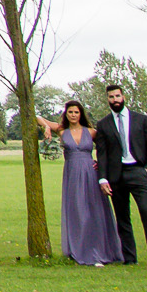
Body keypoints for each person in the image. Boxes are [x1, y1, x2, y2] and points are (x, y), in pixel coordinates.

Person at [34, 100, 122, 266]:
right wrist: (46, 127)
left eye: (76, 112)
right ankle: (79, 250)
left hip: (91, 173)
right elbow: (37, 117)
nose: (73, 115)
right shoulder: (61, 130)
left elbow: (107, 148)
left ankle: (99, 251)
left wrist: (101, 163)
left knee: (94, 211)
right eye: (70, 112)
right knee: (77, 211)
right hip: (72, 174)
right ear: (66, 114)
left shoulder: (91, 132)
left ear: (81, 114)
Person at [93, 83, 147, 270]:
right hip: (116, 177)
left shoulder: (141, 120)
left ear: (123, 97)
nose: (114, 100)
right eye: (111, 97)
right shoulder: (103, 124)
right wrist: (103, 178)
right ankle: (130, 259)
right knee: (123, 219)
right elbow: (102, 154)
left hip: (138, 173)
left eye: (117, 96)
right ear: (107, 99)